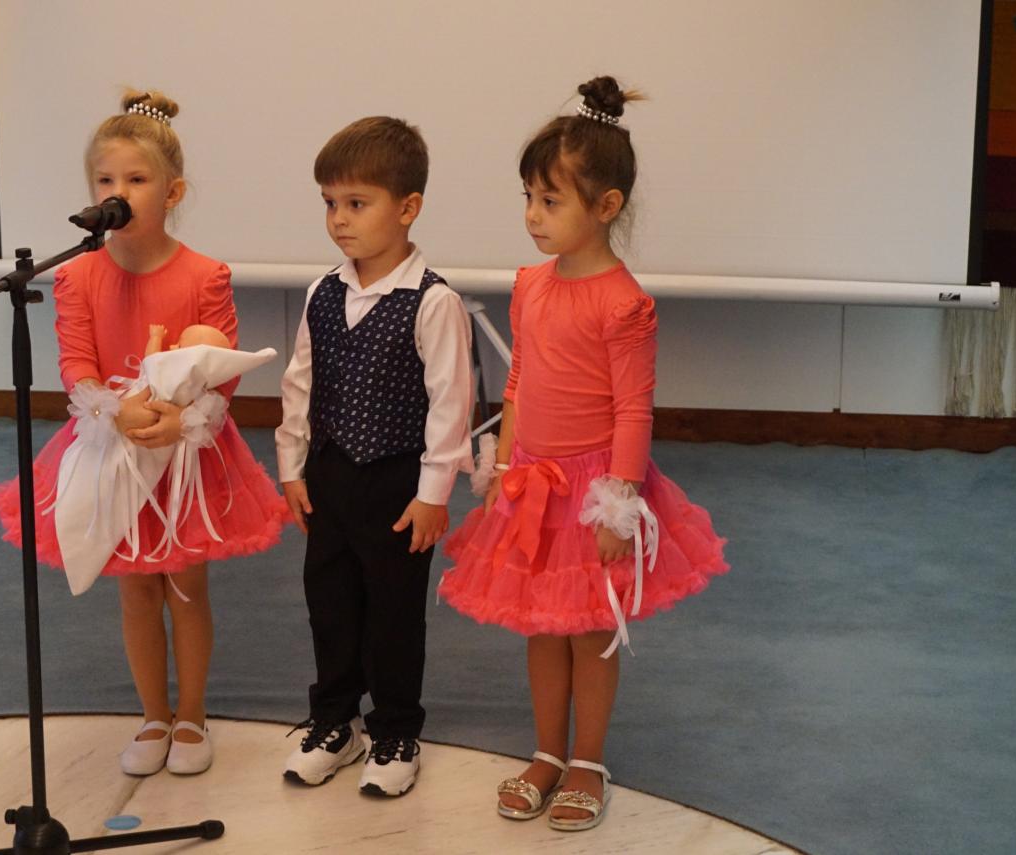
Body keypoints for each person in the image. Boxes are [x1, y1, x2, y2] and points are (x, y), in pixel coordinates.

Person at [437, 76, 729, 832]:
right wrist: (504, 466)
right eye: (528, 197)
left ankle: (588, 760)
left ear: (606, 207)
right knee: (542, 624)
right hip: (533, 482)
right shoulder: (530, 285)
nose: (532, 215)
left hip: (595, 488)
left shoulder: (623, 303)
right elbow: (520, 379)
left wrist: (619, 504)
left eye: (550, 200)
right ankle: (546, 752)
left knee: (591, 627)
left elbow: (633, 409)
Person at [0, 88, 289, 778]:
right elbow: (76, 361)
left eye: (135, 179)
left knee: (185, 586)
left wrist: (180, 417)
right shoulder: (78, 276)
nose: (117, 192)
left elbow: (222, 370)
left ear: (172, 191)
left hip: (184, 452)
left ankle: (192, 714)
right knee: (135, 589)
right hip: (112, 445)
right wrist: (112, 409)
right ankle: (153, 713)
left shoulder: (204, 275)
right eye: (105, 180)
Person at [275, 116, 474, 797]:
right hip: (330, 474)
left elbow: (450, 404)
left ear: (408, 207)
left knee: (393, 612)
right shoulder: (322, 293)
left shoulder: (433, 302)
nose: (339, 219)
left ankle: (395, 730)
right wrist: (292, 466)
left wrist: (433, 493)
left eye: (357, 203)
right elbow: (300, 383)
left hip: (397, 481)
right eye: (330, 202)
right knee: (329, 603)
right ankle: (334, 721)